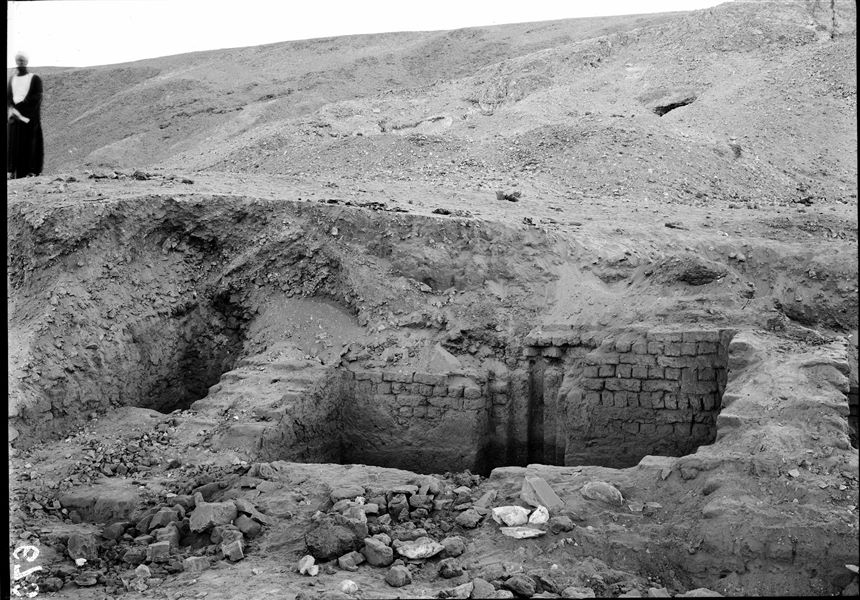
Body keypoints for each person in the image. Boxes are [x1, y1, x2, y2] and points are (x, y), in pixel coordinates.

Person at [7, 52, 44, 179]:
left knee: (30, 145)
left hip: (30, 119)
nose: (20, 63)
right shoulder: (12, 79)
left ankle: (31, 171)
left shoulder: (34, 78)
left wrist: (22, 109)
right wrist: (12, 110)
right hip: (15, 118)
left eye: (22, 60)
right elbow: (9, 97)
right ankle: (12, 171)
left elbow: (37, 97)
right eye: (18, 60)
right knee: (13, 144)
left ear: (26, 62)